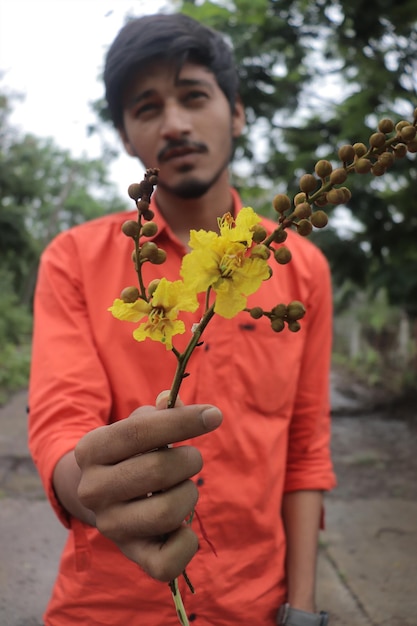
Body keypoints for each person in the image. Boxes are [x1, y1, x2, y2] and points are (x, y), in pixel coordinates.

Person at [28, 12, 336, 626]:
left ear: (237, 110)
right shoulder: (73, 259)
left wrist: (301, 609)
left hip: (257, 604)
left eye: (193, 96)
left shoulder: (300, 268)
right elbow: (62, 422)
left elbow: (305, 451)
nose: (174, 124)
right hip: (106, 609)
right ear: (124, 136)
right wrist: (91, 491)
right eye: (146, 108)